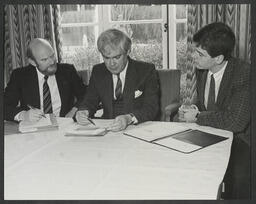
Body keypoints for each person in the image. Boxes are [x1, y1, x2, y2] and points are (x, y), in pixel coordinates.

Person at [179, 22, 250, 199]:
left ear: (218, 58)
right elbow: (210, 105)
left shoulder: (245, 73)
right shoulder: (204, 68)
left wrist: (197, 116)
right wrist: (195, 108)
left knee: (237, 185)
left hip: (241, 141)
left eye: (200, 54)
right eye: (195, 50)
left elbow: (236, 121)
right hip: (211, 134)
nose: (194, 57)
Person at [75, 28, 159, 131]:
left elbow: (151, 108)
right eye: (106, 57)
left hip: (137, 128)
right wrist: (83, 111)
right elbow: (89, 101)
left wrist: (128, 118)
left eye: (117, 57)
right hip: (108, 129)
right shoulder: (98, 71)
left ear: (128, 51)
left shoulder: (146, 71)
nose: (111, 64)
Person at [4, 38, 86, 122]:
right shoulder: (20, 76)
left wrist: (74, 110)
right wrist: (23, 115)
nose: (51, 62)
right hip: (34, 128)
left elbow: (85, 95)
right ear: (32, 62)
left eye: (52, 56)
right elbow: (5, 106)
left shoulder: (68, 71)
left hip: (64, 125)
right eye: (44, 59)